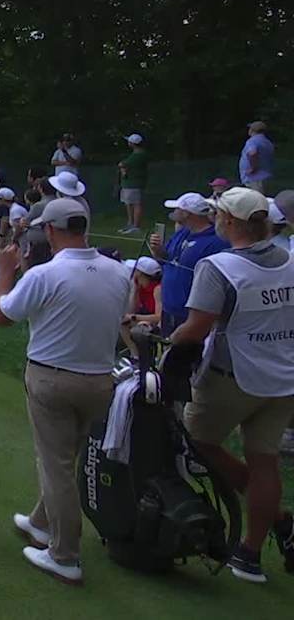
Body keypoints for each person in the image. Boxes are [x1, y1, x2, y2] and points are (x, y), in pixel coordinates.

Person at [0, 198, 131, 584]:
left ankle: (65, 554)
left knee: (55, 466)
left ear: (49, 231)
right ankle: (40, 521)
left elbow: (2, 315)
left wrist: (6, 273)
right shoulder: (119, 271)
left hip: (52, 378)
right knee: (66, 458)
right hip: (102, 380)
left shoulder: (44, 274)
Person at [168, 187, 294, 581]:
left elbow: (196, 327)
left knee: (196, 440)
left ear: (232, 223)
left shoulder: (220, 266)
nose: (216, 218)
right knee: (265, 462)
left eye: (219, 214)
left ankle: (275, 520)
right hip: (283, 377)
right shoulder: (291, 259)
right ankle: (252, 553)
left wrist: (165, 339)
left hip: (233, 376)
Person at [148, 192, 228, 335]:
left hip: (191, 315)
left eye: (177, 209)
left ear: (186, 213)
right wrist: (158, 251)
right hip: (169, 309)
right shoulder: (182, 233)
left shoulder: (216, 242)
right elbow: (167, 259)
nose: (173, 212)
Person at [117, 133, 149, 234]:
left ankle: (136, 226)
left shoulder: (139, 155)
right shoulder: (135, 154)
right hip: (128, 184)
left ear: (132, 143)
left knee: (136, 204)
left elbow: (123, 164)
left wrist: (123, 168)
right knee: (129, 204)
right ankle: (130, 224)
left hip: (134, 184)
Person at [123, 257, 163, 328]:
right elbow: (132, 310)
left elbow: (159, 317)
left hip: (156, 324)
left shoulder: (157, 289)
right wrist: (135, 291)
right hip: (145, 317)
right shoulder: (140, 287)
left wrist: (134, 317)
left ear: (140, 273)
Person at [241, 121, 275, 193]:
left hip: (254, 178)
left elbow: (252, 153)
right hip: (266, 176)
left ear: (252, 130)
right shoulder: (268, 142)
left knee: (255, 201)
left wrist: (252, 168)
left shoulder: (252, 141)